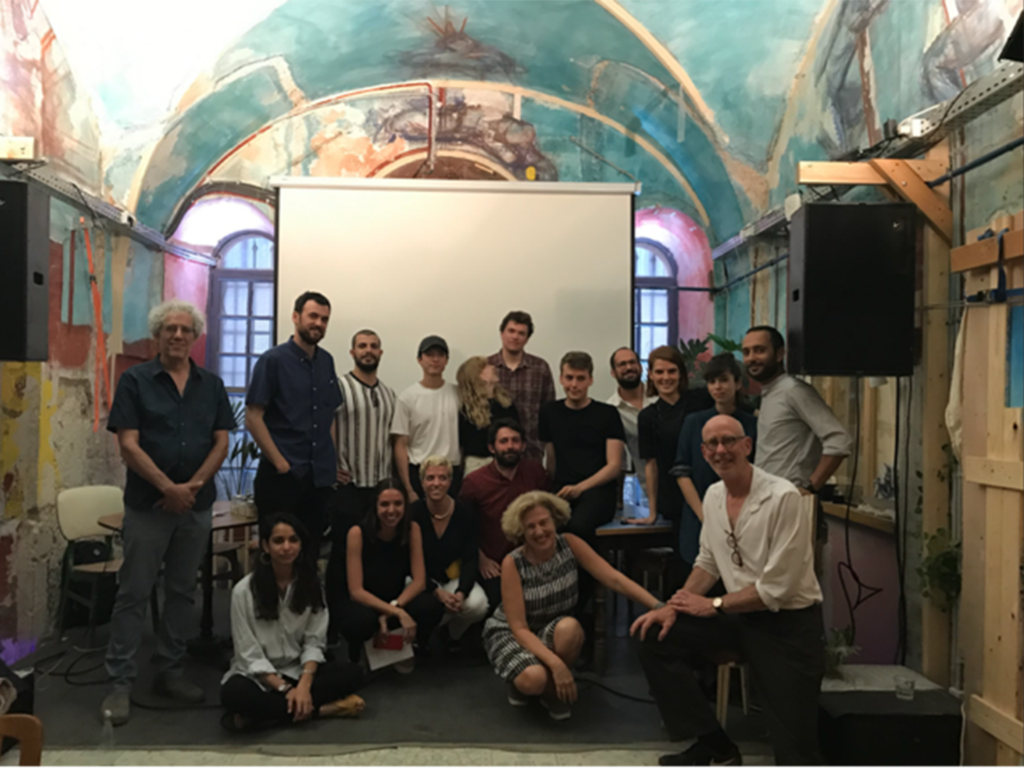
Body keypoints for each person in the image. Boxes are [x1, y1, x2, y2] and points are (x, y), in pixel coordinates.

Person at [632, 415, 825, 768]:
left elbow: (777, 589)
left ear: (747, 445)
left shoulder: (783, 497)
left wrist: (715, 604)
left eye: (729, 441)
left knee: (796, 754)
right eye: (713, 445)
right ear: (703, 453)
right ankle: (716, 748)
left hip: (787, 626)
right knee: (654, 635)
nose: (721, 450)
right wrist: (672, 607)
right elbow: (708, 563)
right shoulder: (714, 496)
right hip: (737, 617)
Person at [101, 300, 235, 725]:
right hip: (148, 507)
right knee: (134, 593)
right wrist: (168, 488)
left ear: (195, 337)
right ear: (158, 335)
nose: (178, 336)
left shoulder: (210, 385)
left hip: (194, 507)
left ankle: (170, 672)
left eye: (185, 330)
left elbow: (221, 442)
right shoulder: (135, 381)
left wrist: (190, 488)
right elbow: (127, 443)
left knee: (182, 592)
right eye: (169, 329)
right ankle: (120, 683)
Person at [483, 491, 665, 721]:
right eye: (530, 527)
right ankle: (531, 684)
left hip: (553, 627)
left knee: (570, 628)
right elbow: (518, 628)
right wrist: (557, 666)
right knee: (533, 679)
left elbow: (613, 578)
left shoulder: (570, 543)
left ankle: (552, 693)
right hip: (513, 632)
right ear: (521, 531)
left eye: (544, 522)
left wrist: (658, 605)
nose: (539, 531)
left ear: (554, 520)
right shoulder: (512, 562)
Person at [220, 513, 365, 731]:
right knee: (233, 693)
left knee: (353, 674)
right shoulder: (244, 591)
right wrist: (286, 690)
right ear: (265, 546)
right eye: (278, 541)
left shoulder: (311, 585)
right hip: (259, 677)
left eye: (293, 540)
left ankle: (260, 717)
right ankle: (320, 711)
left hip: (298, 670)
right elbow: (248, 654)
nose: (286, 547)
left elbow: (314, 643)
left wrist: (304, 686)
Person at [742, 325, 852, 556]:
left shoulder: (794, 391)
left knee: (793, 589)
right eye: (747, 352)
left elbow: (839, 441)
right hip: (769, 505)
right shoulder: (771, 393)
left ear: (780, 354)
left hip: (792, 507)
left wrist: (810, 488)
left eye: (759, 350)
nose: (752, 358)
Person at [246, 291, 342, 552]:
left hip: (317, 478)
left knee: (309, 553)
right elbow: (253, 418)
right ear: (295, 317)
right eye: (313, 316)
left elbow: (329, 416)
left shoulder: (327, 362)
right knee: (276, 554)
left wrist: (330, 461)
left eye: (324, 319)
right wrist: (280, 463)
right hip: (281, 477)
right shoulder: (272, 360)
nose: (318, 323)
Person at [333, 479, 444, 671]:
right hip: (361, 601)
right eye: (385, 504)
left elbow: (419, 582)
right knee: (359, 621)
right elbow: (356, 591)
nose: (391, 510)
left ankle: (407, 643)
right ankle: (358, 650)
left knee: (431, 606)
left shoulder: (412, 529)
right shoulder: (357, 532)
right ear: (375, 506)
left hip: (394, 597)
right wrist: (397, 612)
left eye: (398, 504)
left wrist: (393, 608)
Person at [326, 329, 397, 619]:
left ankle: (370, 621)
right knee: (341, 557)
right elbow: (325, 426)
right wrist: (330, 465)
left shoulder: (390, 394)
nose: (368, 350)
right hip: (348, 487)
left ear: (381, 352)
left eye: (374, 346)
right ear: (352, 352)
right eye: (362, 346)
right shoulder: (338, 387)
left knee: (374, 559)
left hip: (379, 490)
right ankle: (334, 624)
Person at [629, 346, 714, 587]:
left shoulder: (701, 401)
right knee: (686, 559)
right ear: (651, 375)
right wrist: (652, 511)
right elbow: (651, 465)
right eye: (660, 372)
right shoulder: (648, 416)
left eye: (671, 371)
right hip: (674, 497)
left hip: (709, 486)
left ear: (681, 373)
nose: (666, 377)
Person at [673, 353, 758, 571]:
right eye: (712, 382)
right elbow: (682, 472)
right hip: (699, 514)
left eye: (724, 380)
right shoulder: (694, 422)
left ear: (737, 383)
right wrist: (705, 516)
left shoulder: (752, 423)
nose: (717, 387)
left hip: (742, 516)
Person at [459, 418, 549, 612]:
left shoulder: (536, 473)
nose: (510, 446)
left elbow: (548, 515)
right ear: (492, 448)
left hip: (532, 559)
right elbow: (463, 529)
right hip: (494, 564)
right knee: (500, 606)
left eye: (515, 441)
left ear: (523, 445)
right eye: (504, 441)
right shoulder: (474, 483)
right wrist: (481, 559)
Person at [538, 351, 624, 543]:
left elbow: (614, 466)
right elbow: (550, 460)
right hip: (563, 488)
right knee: (542, 525)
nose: (574, 385)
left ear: (590, 380)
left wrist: (580, 488)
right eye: (569, 378)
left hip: (598, 490)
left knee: (578, 527)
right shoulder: (549, 412)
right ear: (561, 378)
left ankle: (588, 573)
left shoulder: (608, 414)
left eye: (580, 378)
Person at [409, 456, 489, 651]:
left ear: (450, 482)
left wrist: (460, 593)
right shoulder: (413, 513)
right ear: (422, 483)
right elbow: (406, 562)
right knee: (426, 605)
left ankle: (450, 633)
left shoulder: (465, 514)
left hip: (450, 577)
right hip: (417, 580)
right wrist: (437, 592)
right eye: (430, 478)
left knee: (478, 604)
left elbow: (470, 558)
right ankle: (419, 636)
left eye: (442, 478)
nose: (436, 483)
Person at [392, 335, 462, 503]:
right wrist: (408, 488)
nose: (435, 359)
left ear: (446, 361)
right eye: (429, 355)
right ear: (419, 360)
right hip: (420, 473)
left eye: (440, 355)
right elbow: (400, 444)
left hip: (452, 472)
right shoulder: (407, 398)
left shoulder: (459, 394)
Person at [487, 311, 556, 461]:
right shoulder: (486, 367)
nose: (515, 337)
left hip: (531, 451)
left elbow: (549, 411)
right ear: (501, 333)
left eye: (521, 333)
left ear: (527, 338)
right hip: (494, 455)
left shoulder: (540, 368)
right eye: (511, 331)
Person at [606, 347, 656, 499]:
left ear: (640, 367)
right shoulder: (611, 410)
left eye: (632, 362)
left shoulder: (660, 395)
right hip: (648, 487)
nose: (628, 367)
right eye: (622, 364)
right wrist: (618, 501)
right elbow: (619, 461)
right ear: (613, 372)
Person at [456, 356, 519, 475]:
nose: (493, 367)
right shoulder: (466, 412)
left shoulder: (506, 404)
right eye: (486, 367)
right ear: (477, 376)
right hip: (478, 466)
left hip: (507, 463)